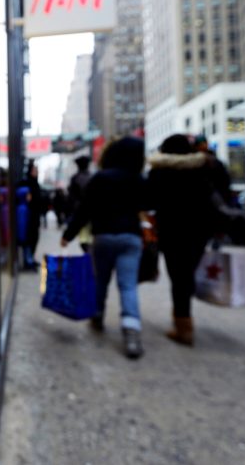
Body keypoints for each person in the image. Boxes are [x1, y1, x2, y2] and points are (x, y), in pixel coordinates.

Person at [61, 137, 147, 359]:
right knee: (128, 286)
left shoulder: (100, 178)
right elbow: (150, 204)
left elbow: (84, 209)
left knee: (100, 280)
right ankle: (131, 333)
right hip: (131, 237)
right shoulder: (137, 179)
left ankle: (97, 315)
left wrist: (68, 235)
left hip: (103, 237)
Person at [147, 133, 217, 346]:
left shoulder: (158, 172)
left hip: (171, 231)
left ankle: (183, 326)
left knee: (178, 276)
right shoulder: (204, 168)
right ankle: (183, 319)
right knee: (186, 274)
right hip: (199, 230)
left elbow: (149, 199)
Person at [18, 160, 42, 270]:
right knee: (28, 239)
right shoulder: (27, 183)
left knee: (34, 239)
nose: (36, 172)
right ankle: (28, 261)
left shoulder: (35, 183)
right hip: (29, 217)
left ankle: (31, 258)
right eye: (34, 170)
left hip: (35, 216)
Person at [67, 155, 93, 252]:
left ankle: (89, 258)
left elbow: (71, 199)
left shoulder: (75, 179)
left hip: (80, 213)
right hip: (93, 214)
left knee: (84, 240)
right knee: (89, 239)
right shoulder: (93, 177)